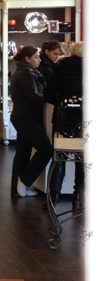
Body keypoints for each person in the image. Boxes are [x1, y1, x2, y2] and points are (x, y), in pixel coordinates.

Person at [9, 45, 52, 198]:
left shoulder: (24, 71)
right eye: (36, 57)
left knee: (23, 151)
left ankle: (17, 188)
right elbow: (33, 97)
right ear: (27, 59)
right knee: (46, 150)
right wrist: (50, 96)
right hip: (26, 117)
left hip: (22, 116)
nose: (39, 60)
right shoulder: (26, 73)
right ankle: (25, 180)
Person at [46, 41, 85, 210]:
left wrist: (62, 102)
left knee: (59, 157)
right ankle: (78, 197)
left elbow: (49, 94)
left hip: (63, 118)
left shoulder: (61, 66)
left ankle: (54, 197)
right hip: (83, 118)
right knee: (82, 159)